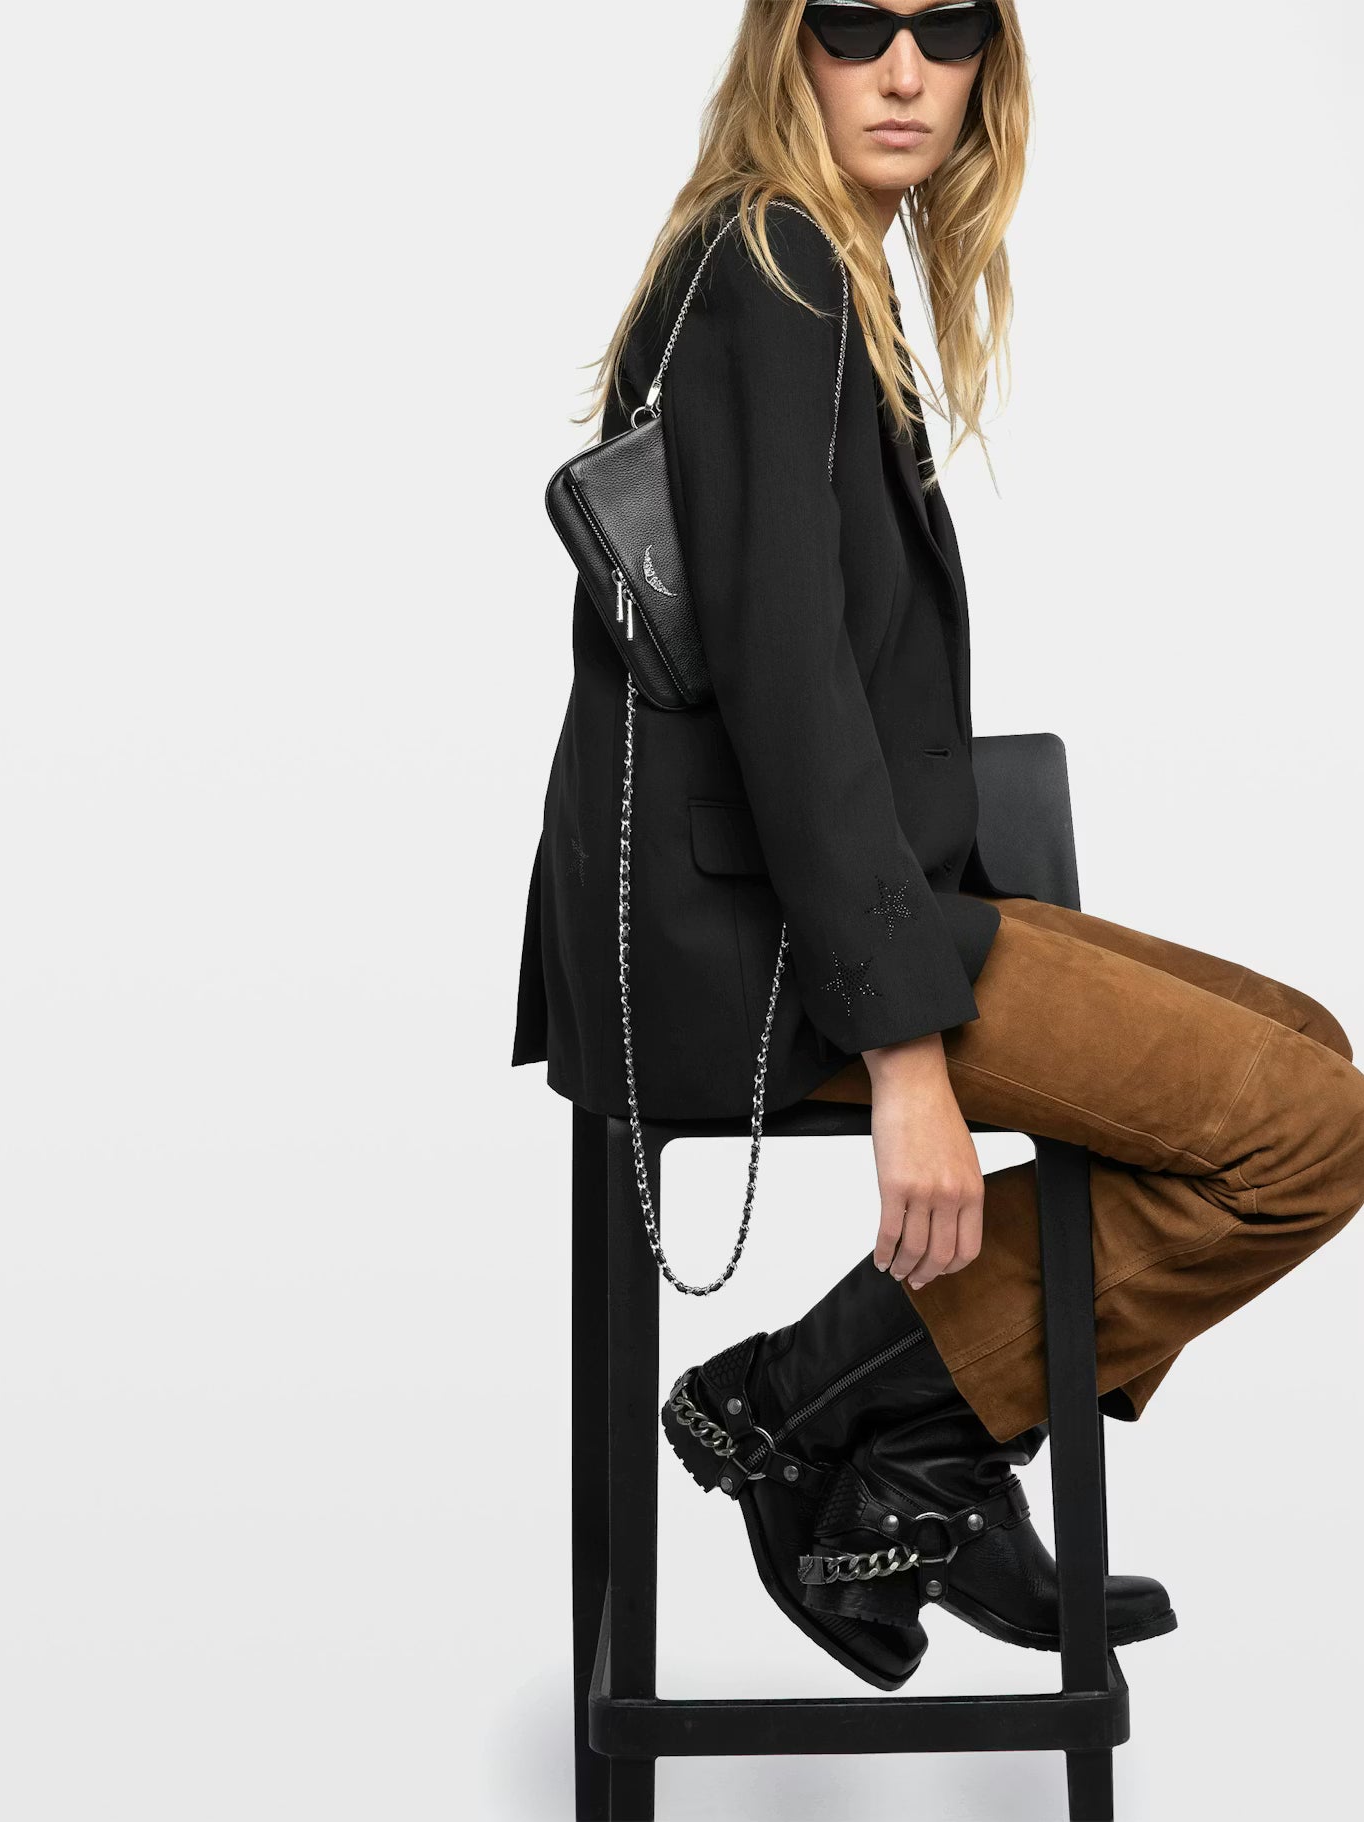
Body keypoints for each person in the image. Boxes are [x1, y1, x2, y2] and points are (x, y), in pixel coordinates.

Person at [510, 1, 1364, 1690]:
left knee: (1301, 1050)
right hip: (759, 949)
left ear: (988, 63)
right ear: (788, 49)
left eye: (945, 27)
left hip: (809, 902)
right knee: (1307, 1131)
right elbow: (785, 685)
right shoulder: (774, 263)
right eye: (855, 25)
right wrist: (907, 1057)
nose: (903, 69)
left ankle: (885, 1441)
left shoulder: (810, 259)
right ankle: (838, 1427)